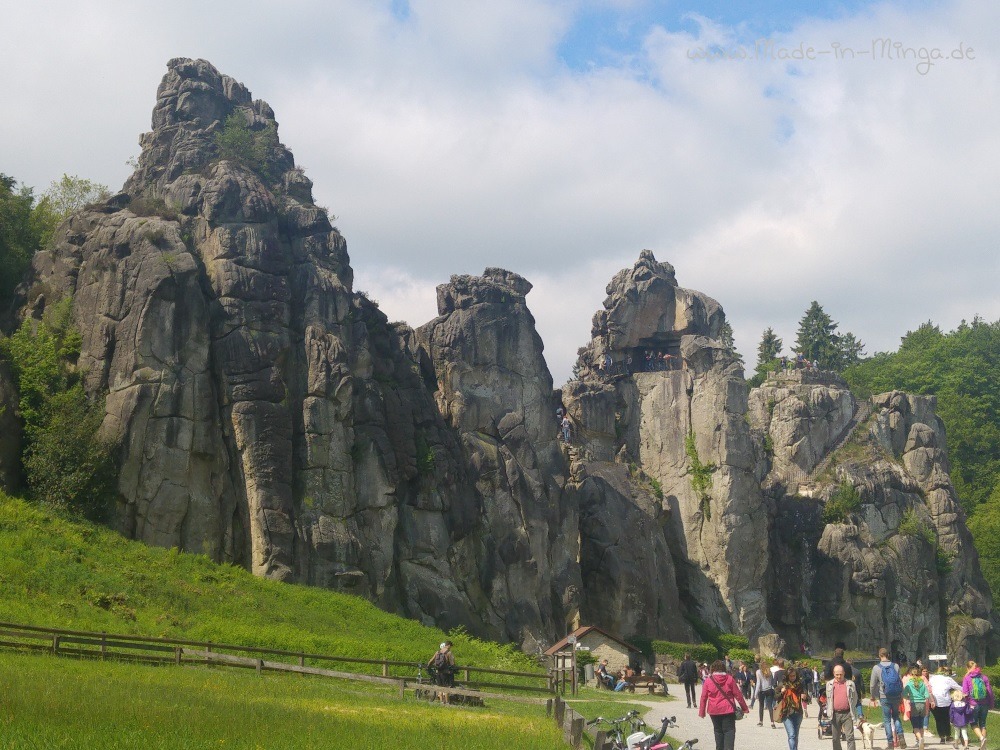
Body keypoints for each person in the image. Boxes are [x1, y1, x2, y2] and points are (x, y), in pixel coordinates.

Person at [699, 659, 749, 750]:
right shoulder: (729, 679)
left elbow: (703, 697)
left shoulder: (708, 681)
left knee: (718, 732)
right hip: (728, 710)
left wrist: (702, 712)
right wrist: (744, 708)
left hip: (714, 711)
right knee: (729, 732)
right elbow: (738, 695)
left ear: (712, 669)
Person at [870, 647, 907, 749]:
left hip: (884, 696)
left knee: (886, 720)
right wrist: (901, 695)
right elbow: (900, 681)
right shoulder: (895, 666)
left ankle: (890, 743)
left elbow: (872, 685)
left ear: (879, 655)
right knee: (896, 716)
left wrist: (872, 696)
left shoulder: (876, 668)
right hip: (896, 695)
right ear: (888, 655)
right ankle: (901, 735)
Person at [961, 659, 994, 748]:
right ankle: (983, 746)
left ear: (968, 668)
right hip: (985, 703)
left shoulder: (967, 678)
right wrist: (991, 703)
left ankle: (981, 738)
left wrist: (965, 704)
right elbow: (989, 691)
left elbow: (965, 693)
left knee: (973, 723)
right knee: (983, 724)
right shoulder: (984, 677)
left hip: (973, 704)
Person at [826, 664, 859, 750]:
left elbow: (855, 698)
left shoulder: (850, 684)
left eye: (840, 674)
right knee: (835, 738)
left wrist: (851, 707)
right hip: (835, 714)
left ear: (844, 673)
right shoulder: (829, 684)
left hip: (847, 713)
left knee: (850, 737)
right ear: (834, 674)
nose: (839, 676)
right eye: (837, 674)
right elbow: (828, 699)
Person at [928, 665, 962, 744]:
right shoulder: (948, 679)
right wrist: (967, 691)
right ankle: (947, 735)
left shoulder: (932, 678)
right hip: (945, 701)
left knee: (938, 719)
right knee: (946, 718)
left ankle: (942, 737)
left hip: (934, 701)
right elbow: (958, 687)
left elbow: (929, 689)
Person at [776, 665, 807, 750]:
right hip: (786, 713)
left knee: (795, 735)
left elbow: (807, 699)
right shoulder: (782, 685)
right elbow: (775, 697)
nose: (792, 677)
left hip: (798, 713)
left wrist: (805, 697)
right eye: (790, 676)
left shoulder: (800, 685)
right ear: (787, 676)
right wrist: (781, 693)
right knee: (792, 735)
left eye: (794, 676)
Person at [902, 665, 930, 749]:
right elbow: (927, 695)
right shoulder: (922, 683)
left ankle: (920, 739)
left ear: (910, 674)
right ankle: (921, 740)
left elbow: (904, 695)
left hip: (914, 704)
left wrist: (909, 697)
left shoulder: (909, 683)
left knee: (915, 726)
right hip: (923, 704)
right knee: (921, 724)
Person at [754, 659, 777, 728]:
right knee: (770, 706)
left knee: (761, 706)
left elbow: (758, 683)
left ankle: (761, 721)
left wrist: (755, 693)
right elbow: (772, 682)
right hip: (769, 689)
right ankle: (772, 722)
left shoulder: (758, 672)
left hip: (762, 690)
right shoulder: (769, 671)